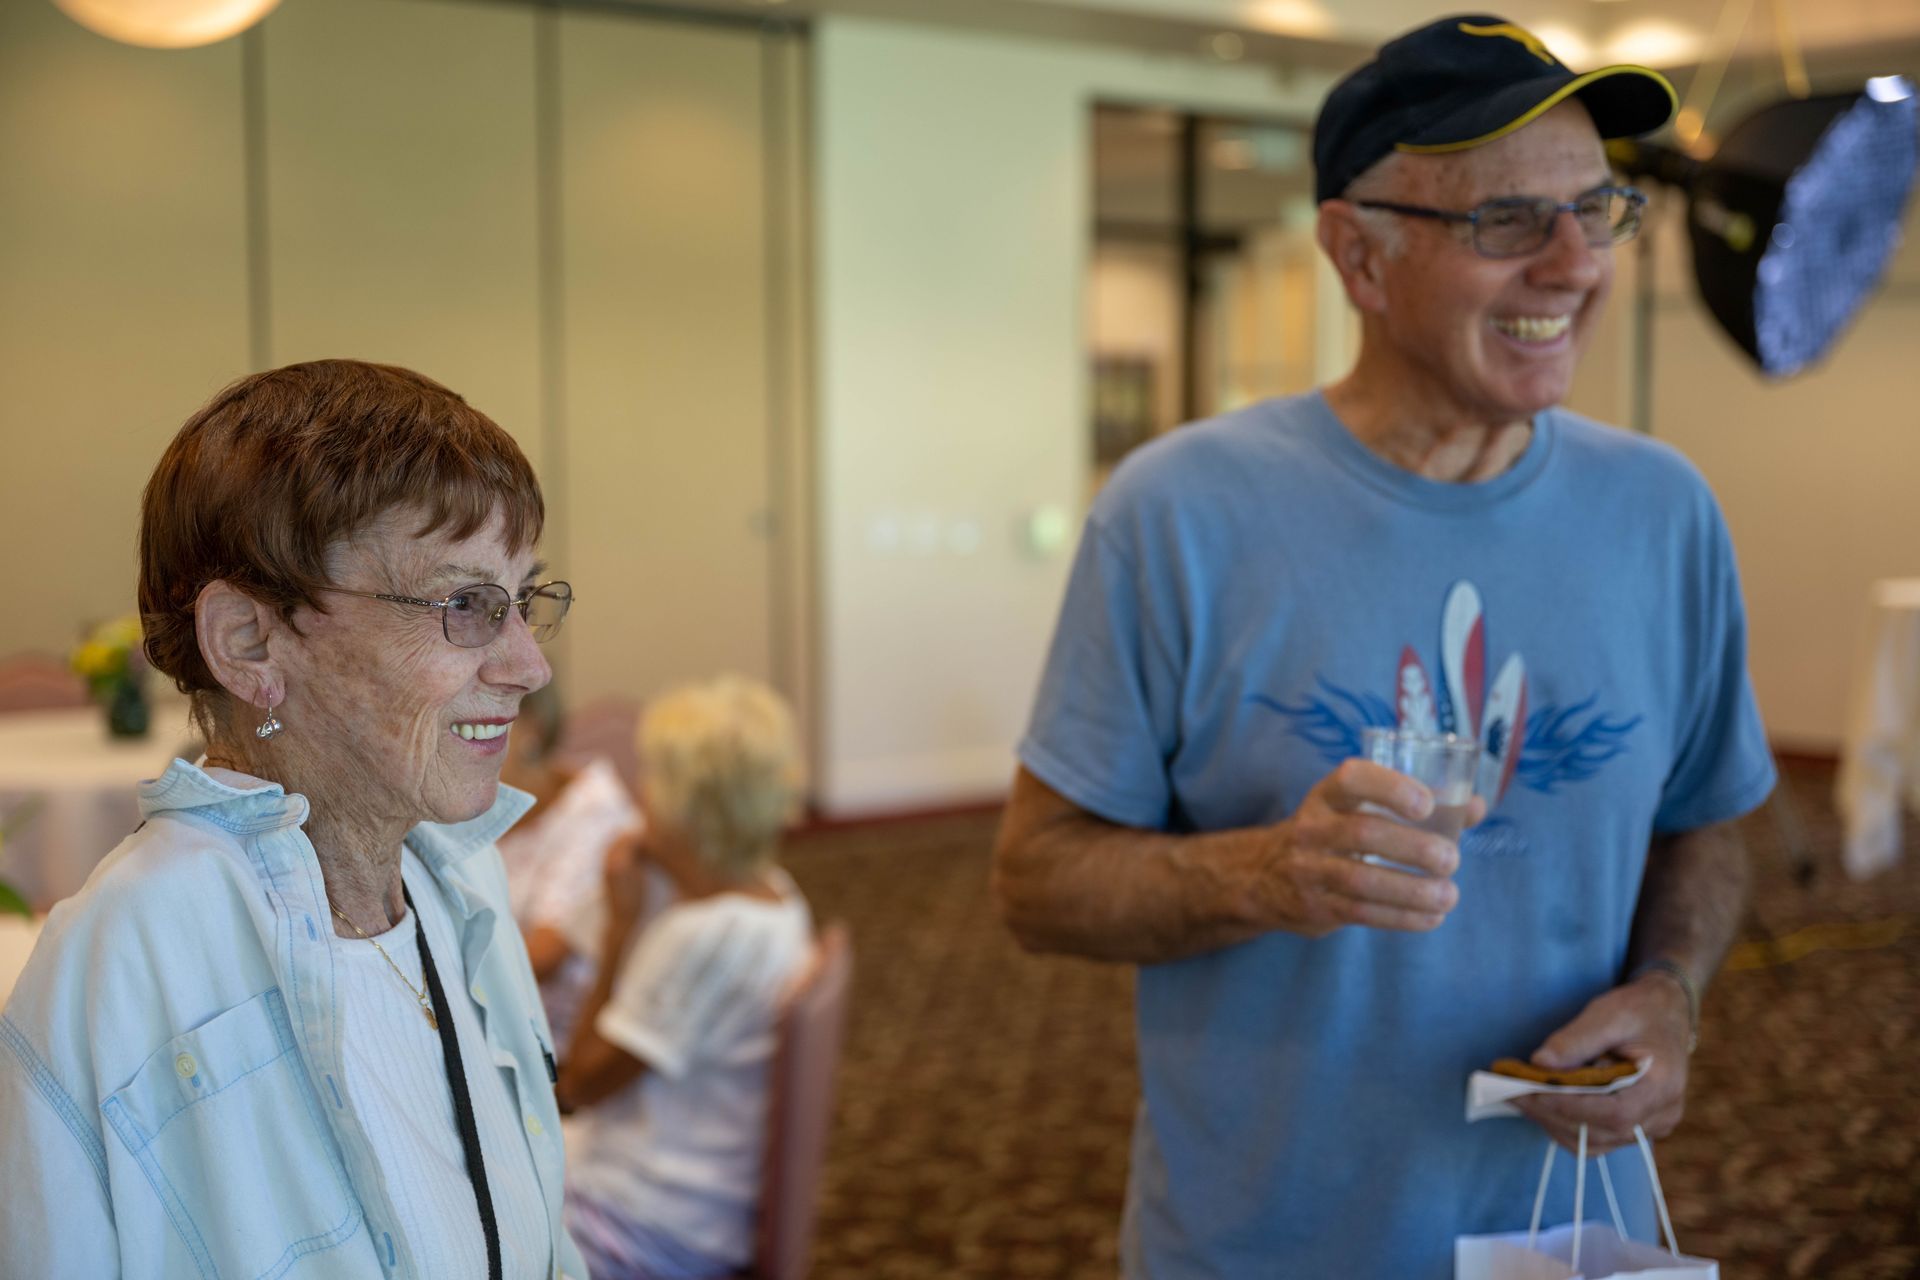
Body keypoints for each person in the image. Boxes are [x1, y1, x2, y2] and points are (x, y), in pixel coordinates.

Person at [992, 17, 1775, 1278]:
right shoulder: (1180, 511)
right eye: (1509, 221)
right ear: (1361, 255)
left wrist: (1674, 988)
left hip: (1573, 1232)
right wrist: (1267, 875)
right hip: (1267, 1237)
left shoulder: (1664, 510)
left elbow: (1706, 815)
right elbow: (1037, 880)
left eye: (1597, 208)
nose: (1574, 263)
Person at [0, 360, 589, 1280]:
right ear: (250, 642)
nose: (528, 666)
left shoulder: (457, 879)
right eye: (465, 606)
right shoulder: (122, 967)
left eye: (522, 602)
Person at [556, 675, 814, 1280]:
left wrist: (621, 928)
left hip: (649, 1221)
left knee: (457, 1208)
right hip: (697, 1198)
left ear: (682, 806)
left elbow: (582, 1086)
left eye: (651, 779)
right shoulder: (776, 893)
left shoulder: (702, 939)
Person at [497, 683, 645, 1049]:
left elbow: (547, 954)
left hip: (554, 1042)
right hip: (495, 1022)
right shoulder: (472, 803)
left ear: (532, 729)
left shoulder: (593, 810)